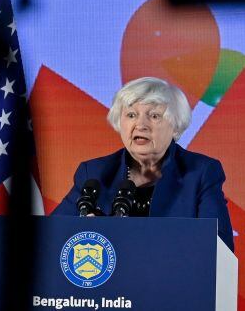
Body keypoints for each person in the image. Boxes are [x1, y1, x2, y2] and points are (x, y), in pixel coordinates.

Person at [53, 77, 234, 250]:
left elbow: (219, 246)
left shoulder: (201, 173)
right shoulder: (93, 173)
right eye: (131, 115)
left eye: (154, 116)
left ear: (176, 126)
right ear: (119, 123)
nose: (141, 125)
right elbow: (52, 236)